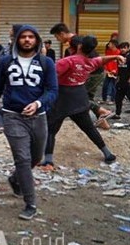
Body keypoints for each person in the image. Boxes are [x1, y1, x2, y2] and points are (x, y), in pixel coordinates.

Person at [0, 25, 57, 220]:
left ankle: (15, 178)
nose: (27, 40)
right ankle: (30, 203)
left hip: (39, 117)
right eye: (23, 37)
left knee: (36, 158)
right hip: (12, 116)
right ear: (17, 40)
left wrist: (38, 103)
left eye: (31, 37)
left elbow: (53, 90)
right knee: (23, 159)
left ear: (36, 40)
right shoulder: (5, 62)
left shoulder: (46, 63)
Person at [38, 35, 123, 171]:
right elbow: (101, 60)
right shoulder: (90, 62)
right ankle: (107, 153)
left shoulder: (67, 61)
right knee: (89, 128)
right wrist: (116, 57)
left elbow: (49, 77)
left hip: (62, 100)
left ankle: (48, 160)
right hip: (79, 99)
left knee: (51, 129)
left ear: (78, 46)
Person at [112, 42, 130, 120]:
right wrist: (117, 76)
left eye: (124, 47)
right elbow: (119, 68)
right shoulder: (120, 56)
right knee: (118, 98)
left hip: (128, 81)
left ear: (128, 48)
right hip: (121, 81)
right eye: (121, 48)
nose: (122, 49)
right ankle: (117, 114)